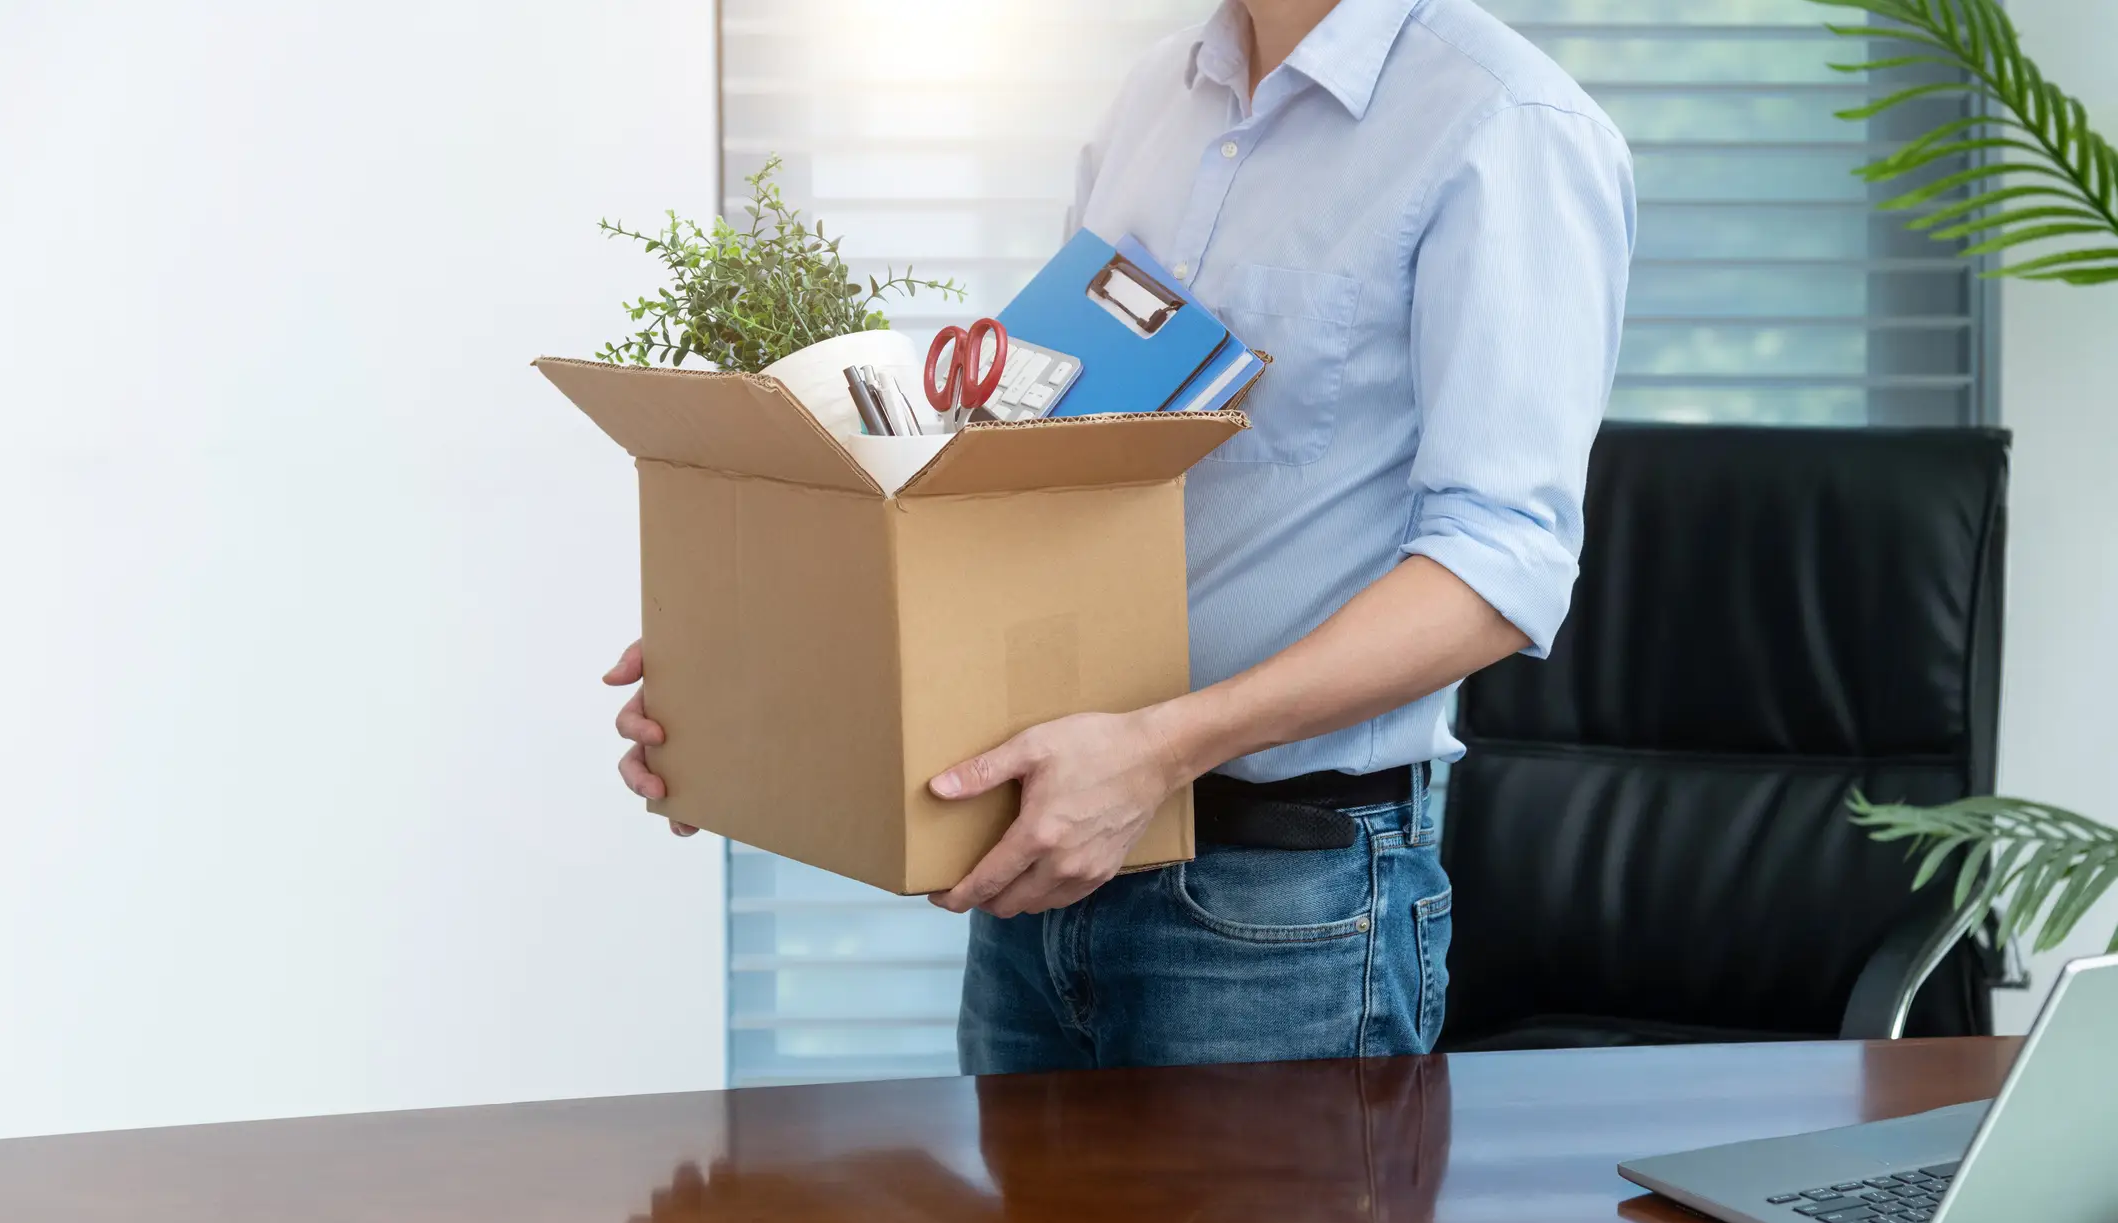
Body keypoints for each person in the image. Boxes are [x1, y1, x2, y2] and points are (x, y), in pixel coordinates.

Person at [607, 0, 1633, 1075]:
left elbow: (1499, 566)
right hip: (1044, 857)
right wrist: (772, 671)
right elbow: (1044, 481)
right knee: (1017, 1203)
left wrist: (1159, 752)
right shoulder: (1157, 97)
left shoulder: (1508, 125)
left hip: (1278, 902)